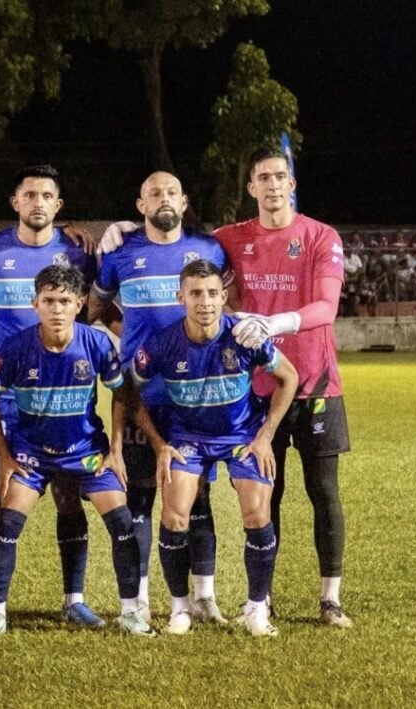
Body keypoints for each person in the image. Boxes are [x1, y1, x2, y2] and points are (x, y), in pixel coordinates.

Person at [214, 145, 353, 628]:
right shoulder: (229, 239)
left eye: (280, 176)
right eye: (264, 178)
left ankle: (330, 599)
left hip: (316, 383)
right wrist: (121, 233)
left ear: (291, 183)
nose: (272, 185)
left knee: (323, 491)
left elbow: (327, 308)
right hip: (258, 387)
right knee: (264, 495)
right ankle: (261, 599)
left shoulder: (320, 236)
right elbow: (179, 252)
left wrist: (273, 323)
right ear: (251, 187)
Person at [0, 165, 102, 628]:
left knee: (67, 493)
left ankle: (74, 598)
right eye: (29, 195)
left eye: (46, 196)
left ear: (58, 205)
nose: (37, 202)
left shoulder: (78, 254)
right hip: (7, 399)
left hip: (64, 394)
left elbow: (91, 311)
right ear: (15, 202)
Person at [0, 265, 149, 636]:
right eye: (49, 301)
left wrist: (116, 450)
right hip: (31, 454)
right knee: (8, 520)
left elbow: (122, 393)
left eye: (65, 301)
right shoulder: (15, 347)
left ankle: (128, 612)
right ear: (35, 303)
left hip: (85, 451)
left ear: (79, 304)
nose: (57, 309)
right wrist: (4, 457)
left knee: (122, 521)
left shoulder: (96, 343)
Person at [86, 171, 227, 624]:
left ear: (183, 203)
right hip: (141, 394)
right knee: (140, 498)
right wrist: (129, 333)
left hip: (194, 395)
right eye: (154, 193)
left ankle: (203, 597)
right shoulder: (121, 252)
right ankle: (141, 597)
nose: (163, 199)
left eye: (171, 193)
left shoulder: (209, 250)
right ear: (140, 205)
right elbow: (95, 308)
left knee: (198, 497)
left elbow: (225, 304)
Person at [131, 259, 299, 636]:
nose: (204, 302)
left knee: (257, 513)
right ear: (181, 298)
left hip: (241, 437)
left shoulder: (243, 336)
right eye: (195, 294)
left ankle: (257, 609)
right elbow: (129, 391)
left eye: (211, 293)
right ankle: (180, 608)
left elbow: (289, 377)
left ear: (224, 296)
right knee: (174, 517)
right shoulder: (162, 343)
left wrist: (265, 436)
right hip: (188, 438)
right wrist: (159, 444)